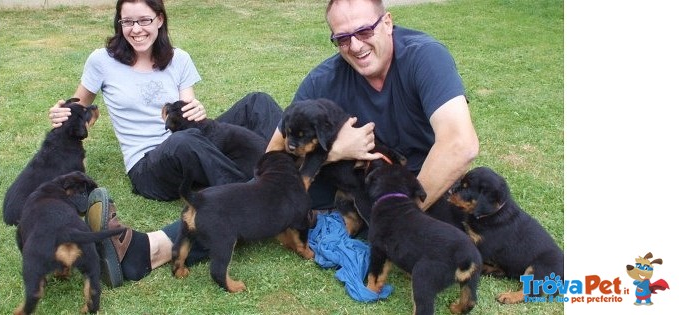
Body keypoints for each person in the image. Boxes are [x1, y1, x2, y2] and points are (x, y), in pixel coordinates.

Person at [47, 0, 282, 287]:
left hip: (186, 142)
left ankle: (286, 176)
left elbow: (186, 112)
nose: (136, 29)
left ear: (159, 20)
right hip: (148, 167)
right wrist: (62, 111)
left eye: (144, 20)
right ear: (119, 24)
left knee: (257, 103)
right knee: (186, 140)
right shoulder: (102, 60)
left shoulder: (179, 58)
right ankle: (261, 198)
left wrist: (195, 110)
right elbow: (77, 105)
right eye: (127, 22)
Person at [266, 0, 479, 212]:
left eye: (365, 31)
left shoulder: (425, 57)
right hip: (358, 182)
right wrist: (337, 151)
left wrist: (401, 214)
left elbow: (460, 145)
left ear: (387, 23)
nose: (356, 46)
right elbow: (274, 151)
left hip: (423, 183)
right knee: (267, 194)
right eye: (342, 38)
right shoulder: (322, 80)